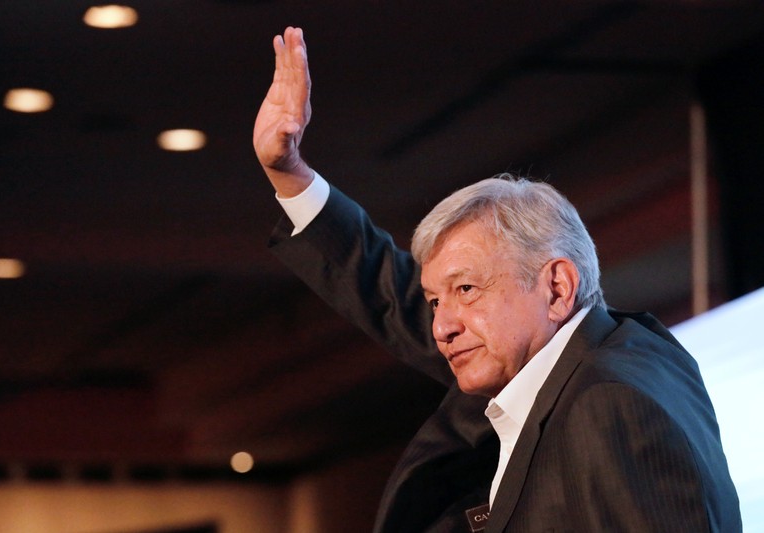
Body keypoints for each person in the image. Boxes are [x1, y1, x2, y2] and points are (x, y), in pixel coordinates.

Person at [253, 27, 742, 532]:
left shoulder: (609, 402)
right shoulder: (579, 361)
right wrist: (290, 174)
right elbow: (394, 300)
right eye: (435, 299)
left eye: (466, 290)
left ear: (556, 288)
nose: (441, 326)